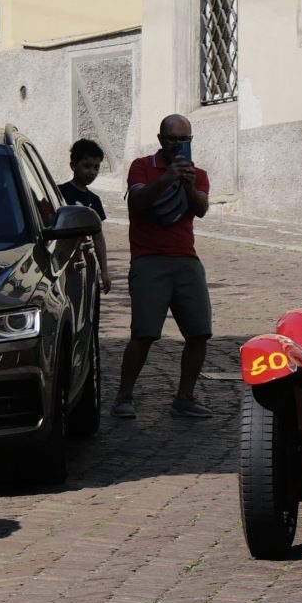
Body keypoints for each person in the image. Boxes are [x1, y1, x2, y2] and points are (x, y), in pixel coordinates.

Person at [110, 114, 213, 419]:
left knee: (199, 332)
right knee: (144, 333)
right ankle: (124, 396)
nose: (178, 145)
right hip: (149, 259)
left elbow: (201, 209)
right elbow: (138, 202)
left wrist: (188, 185)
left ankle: (185, 397)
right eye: (173, 139)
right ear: (160, 139)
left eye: (185, 139)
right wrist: (168, 177)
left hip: (186, 259)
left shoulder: (198, 174)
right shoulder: (142, 166)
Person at [58, 139, 112, 293]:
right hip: (61, 261)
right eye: (87, 166)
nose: (92, 172)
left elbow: (98, 237)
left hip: (83, 262)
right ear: (73, 165)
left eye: (96, 167)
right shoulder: (60, 193)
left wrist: (104, 271)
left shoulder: (94, 200)